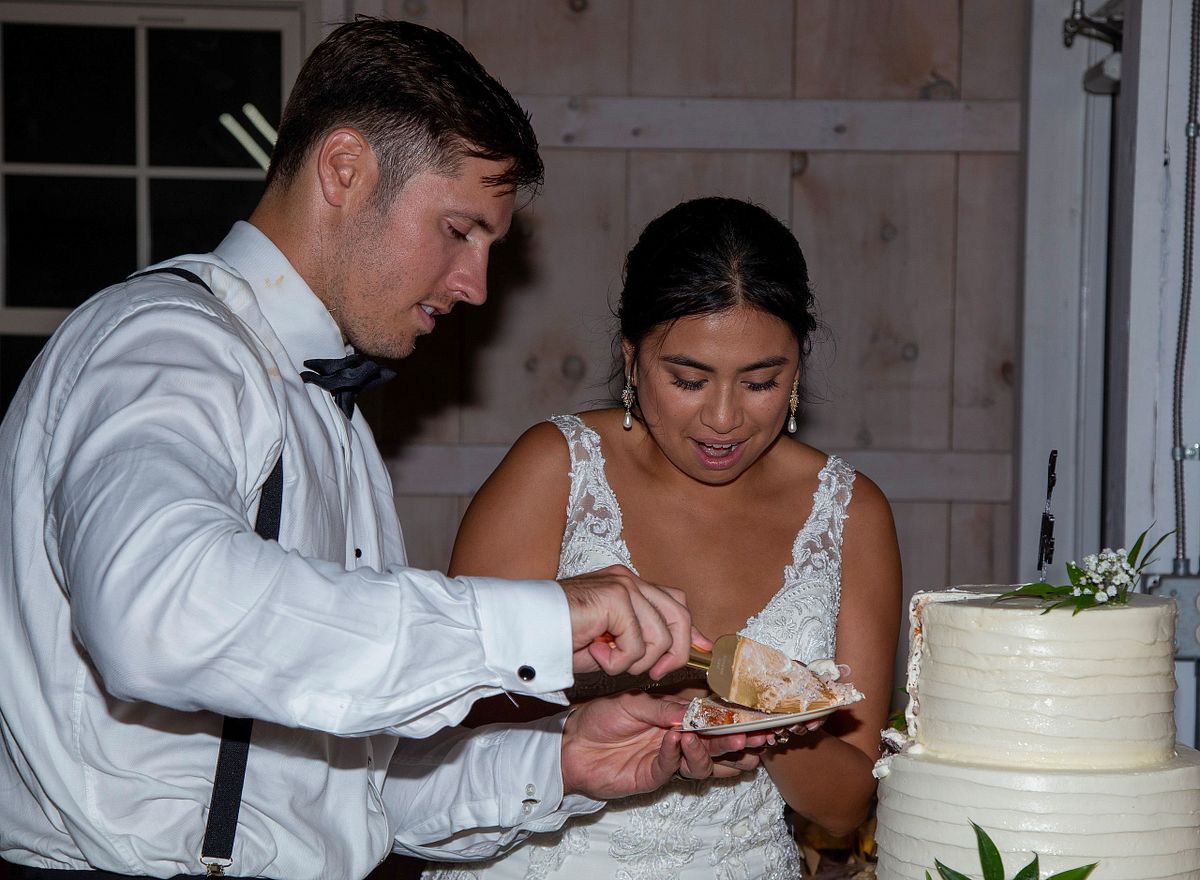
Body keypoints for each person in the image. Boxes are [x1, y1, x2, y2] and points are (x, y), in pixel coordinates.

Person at [0, 21, 764, 880]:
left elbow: (345, 801)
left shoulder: (336, 421)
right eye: (460, 229)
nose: (476, 285)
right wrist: (542, 617)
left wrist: (564, 761)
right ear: (345, 170)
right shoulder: (161, 344)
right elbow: (157, 610)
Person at [423, 197, 903, 880]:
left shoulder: (849, 512)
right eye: (687, 379)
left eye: (762, 381)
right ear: (631, 358)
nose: (724, 419)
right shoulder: (556, 470)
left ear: (797, 371)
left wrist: (760, 722)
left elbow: (845, 807)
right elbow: (454, 725)